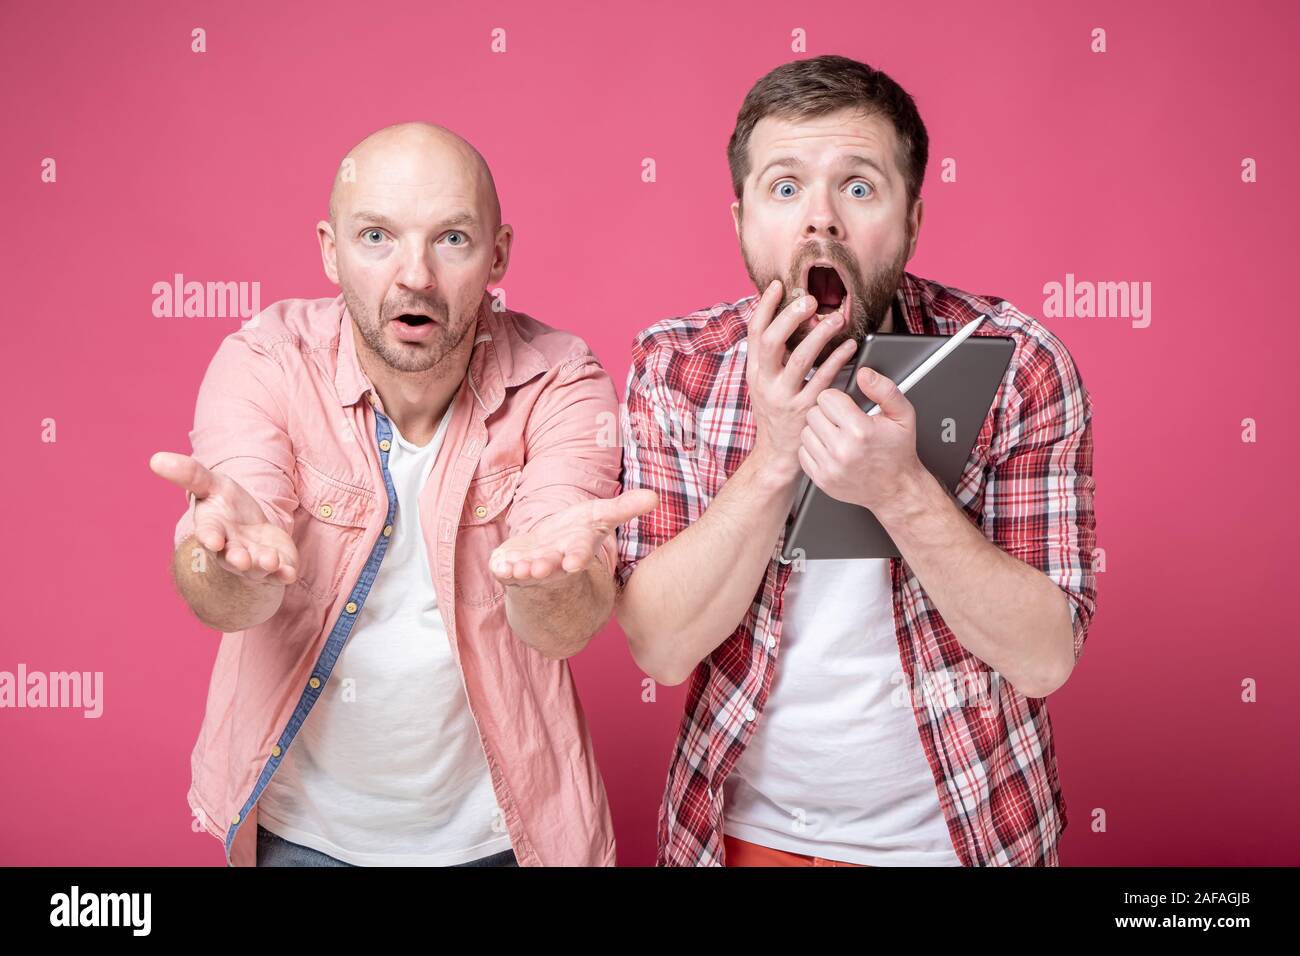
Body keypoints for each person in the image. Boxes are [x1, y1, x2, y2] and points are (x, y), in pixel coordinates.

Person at [615, 55, 1097, 867]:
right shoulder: (675, 369)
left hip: (965, 837)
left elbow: (1045, 658)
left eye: (860, 188)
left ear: (911, 220)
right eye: (785, 187)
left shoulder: (1018, 363)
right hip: (743, 835)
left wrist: (902, 491)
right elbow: (661, 649)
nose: (821, 222)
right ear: (740, 220)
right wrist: (774, 455)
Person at [151, 122, 655, 867]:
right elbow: (235, 599)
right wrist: (226, 563)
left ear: (498, 254)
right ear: (330, 249)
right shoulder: (264, 361)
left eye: (451, 238)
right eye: (377, 237)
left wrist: (557, 581)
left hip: (502, 841)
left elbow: (560, 628)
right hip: (302, 838)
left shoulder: (559, 379)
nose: (414, 275)